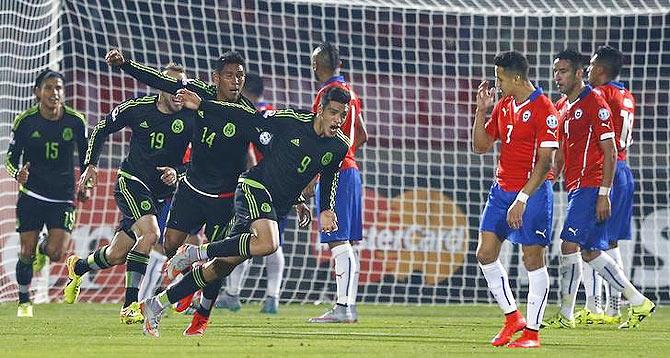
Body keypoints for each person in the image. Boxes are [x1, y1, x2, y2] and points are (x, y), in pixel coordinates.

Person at [105, 49, 295, 335]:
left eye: (240, 76)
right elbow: (160, 81)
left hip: (224, 199)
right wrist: (125, 65)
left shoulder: (246, 114)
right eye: (229, 75)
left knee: (219, 265)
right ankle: (142, 303)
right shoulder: (197, 91)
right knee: (165, 246)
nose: (236, 81)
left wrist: (298, 192)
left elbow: (272, 152)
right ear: (216, 78)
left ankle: (199, 315)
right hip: (191, 191)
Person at [139, 86, 351, 337]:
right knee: (269, 243)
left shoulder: (339, 146)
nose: (338, 120)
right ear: (320, 110)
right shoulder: (291, 120)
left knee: (220, 267)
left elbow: (328, 176)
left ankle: (156, 304)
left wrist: (325, 208)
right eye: (334, 113)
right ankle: (194, 252)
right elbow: (244, 116)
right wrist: (204, 105)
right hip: (255, 187)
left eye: (343, 116)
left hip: (278, 204)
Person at [64, 63, 195, 325]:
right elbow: (101, 128)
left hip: (160, 195)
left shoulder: (191, 119)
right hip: (131, 182)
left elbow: (202, 160)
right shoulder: (137, 108)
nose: (177, 91)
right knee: (151, 234)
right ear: (160, 87)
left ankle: (77, 267)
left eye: (182, 86)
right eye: (171, 85)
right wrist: (90, 165)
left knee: (115, 254)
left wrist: (178, 172)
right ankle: (130, 306)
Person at [543, 49, 654, 330]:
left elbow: (610, 150)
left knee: (569, 244)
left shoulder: (596, 101)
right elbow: (562, 152)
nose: (558, 77)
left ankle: (567, 315)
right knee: (590, 250)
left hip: (593, 184)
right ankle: (638, 301)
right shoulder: (563, 105)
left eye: (564, 71)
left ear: (580, 72)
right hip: (575, 185)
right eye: (556, 71)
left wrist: (604, 192)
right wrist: (551, 175)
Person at [473, 51, 558, 348]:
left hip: (532, 192)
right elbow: (481, 146)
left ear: (517, 77)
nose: (498, 84)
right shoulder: (505, 105)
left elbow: (546, 163)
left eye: (500, 78)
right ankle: (513, 318)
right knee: (485, 254)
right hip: (501, 190)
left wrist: (522, 198)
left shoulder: (544, 109)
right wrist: (481, 111)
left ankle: (532, 333)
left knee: (532, 259)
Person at [5, 69, 88, 317]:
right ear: (37, 92)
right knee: (25, 251)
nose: (55, 93)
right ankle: (24, 302)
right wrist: (17, 173)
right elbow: (10, 158)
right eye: (49, 88)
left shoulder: (76, 121)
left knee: (56, 252)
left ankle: (44, 247)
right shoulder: (25, 121)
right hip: (31, 194)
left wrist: (87, 184)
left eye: (59, 88)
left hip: (63, 195)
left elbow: (87, 160)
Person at [215, 73, 293, 315]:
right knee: (274, 241)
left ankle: (232, 294)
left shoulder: (246, 114)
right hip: (284, 185)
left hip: (257, 185)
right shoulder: (274, 112)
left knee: (243, 238)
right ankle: (272, 298)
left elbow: (248, 154)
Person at [307, 42, 367, 324]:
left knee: (338, 241)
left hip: (337, 172)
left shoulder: (326, 96)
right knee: (347, 243)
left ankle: (344, 306)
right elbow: (363, 134)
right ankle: (348, 306)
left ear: (317, 65)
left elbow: (315, 137)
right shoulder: (352, 94)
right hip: (352, 170)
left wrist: (310, 176)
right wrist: (348, 150)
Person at [577, 45, 637, 325]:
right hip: (624, 170)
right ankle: (615, 308)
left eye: (589, 66)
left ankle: (597, 306)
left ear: (600, 69)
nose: (587, 70)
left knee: (589, 242)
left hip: (605, 173)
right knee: (610, 243)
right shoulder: (626, 96)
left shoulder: (600, 94)